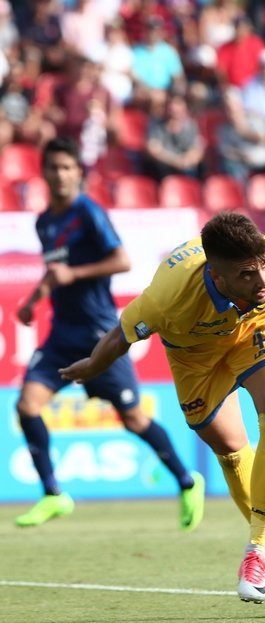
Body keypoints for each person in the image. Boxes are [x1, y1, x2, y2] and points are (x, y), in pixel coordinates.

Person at [58, 212, 265, 616]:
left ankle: (257, 549)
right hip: (195, 360)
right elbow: (120, 336)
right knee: (231, 451)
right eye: (247, 275)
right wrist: (92, 366)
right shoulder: (169, 296)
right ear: (217, 277)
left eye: (262, 268)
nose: (262, 281)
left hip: (257, 329)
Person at [13, 138, 204, 530]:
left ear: (77, 173)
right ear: (44, 172)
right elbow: (55, 271)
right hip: (61, 336)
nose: (60, 175)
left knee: (133, 419)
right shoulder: (44, 222)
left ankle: (188, 482)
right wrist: (33, 301)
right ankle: (53, 495)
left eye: (67, 168)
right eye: (54, 168)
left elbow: (122, 260)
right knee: (27, 406)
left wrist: (75, 274)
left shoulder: (88, 213)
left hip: (99, 334)